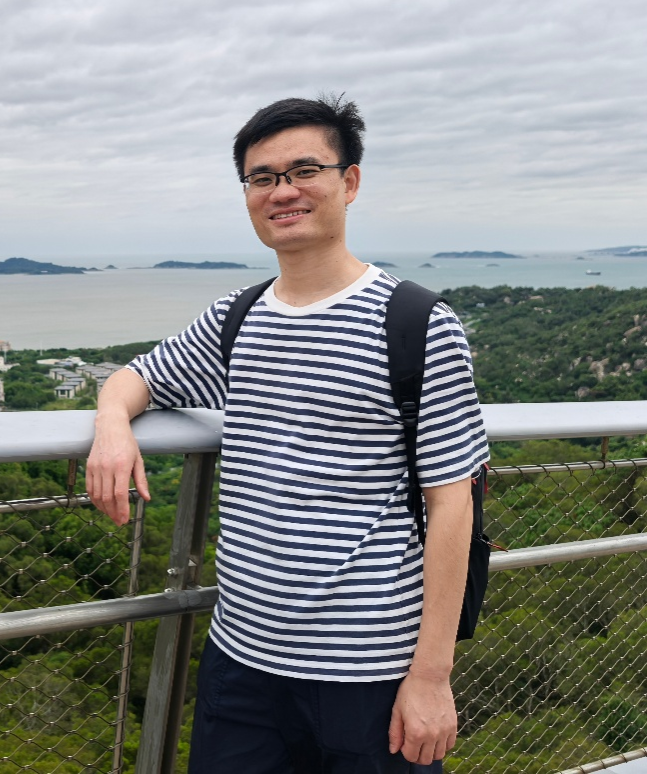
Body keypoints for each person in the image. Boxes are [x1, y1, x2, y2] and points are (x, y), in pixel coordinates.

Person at [86, 95, 488, 773]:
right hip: (242, 660)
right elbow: (137, 377)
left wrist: (430, 676)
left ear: (349, 182)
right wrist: (111, 426)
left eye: (305, 171)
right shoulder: (236, 318)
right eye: (262, 177)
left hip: (371, 670)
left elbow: (453, 504)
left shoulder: (417, 324)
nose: (283, 191)